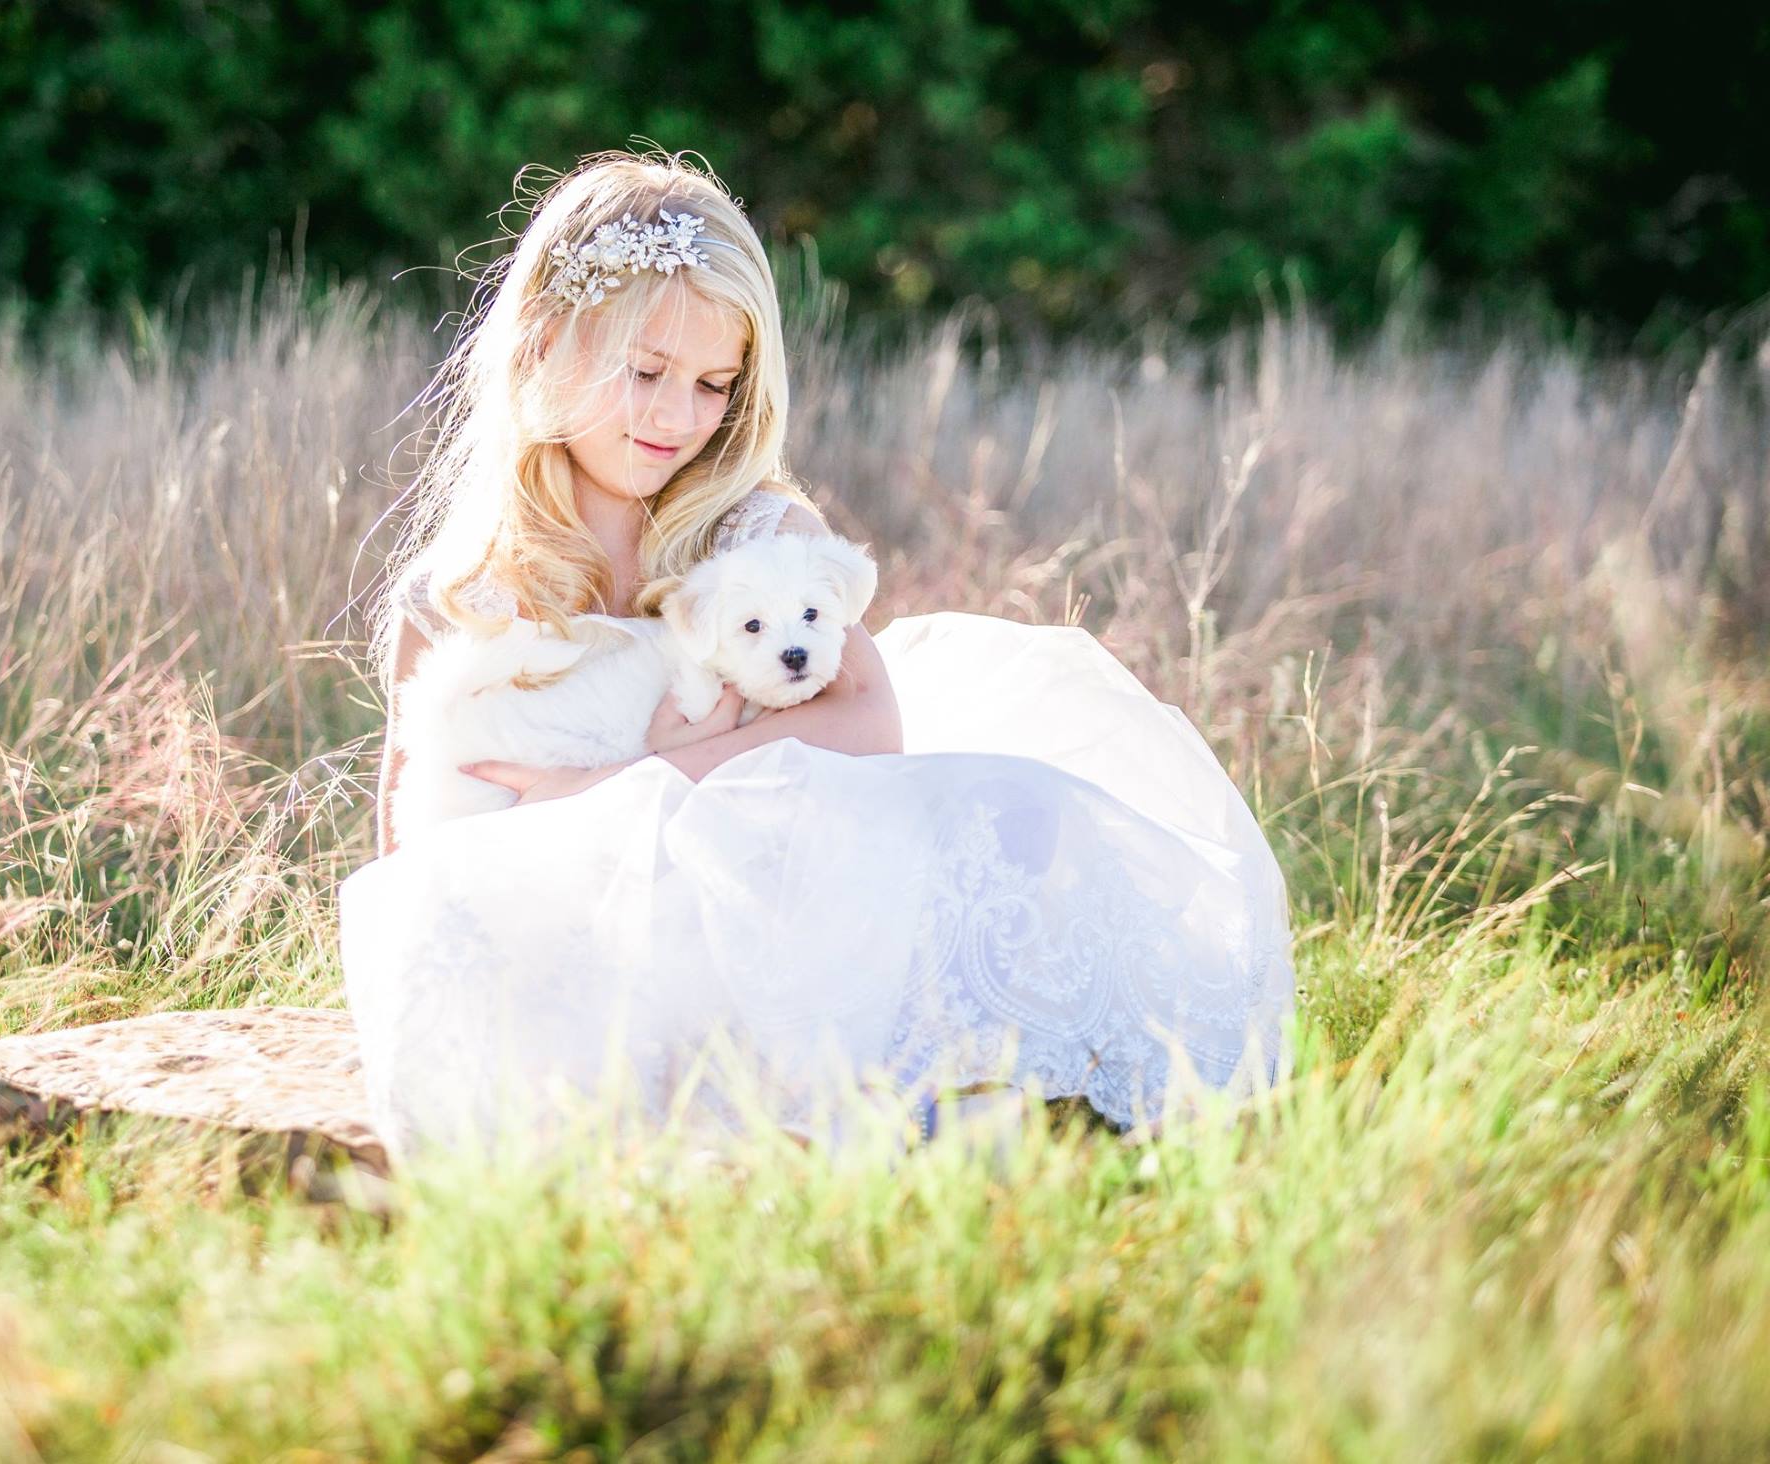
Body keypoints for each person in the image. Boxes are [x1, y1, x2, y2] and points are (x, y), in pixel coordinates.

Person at [339, 147, 1294, 1156]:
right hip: (568, 938)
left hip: (753, 900)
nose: (677, 416)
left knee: (1011, 806)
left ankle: (996, 1099)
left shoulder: (749, 531)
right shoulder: (459, 594)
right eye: (645, 373)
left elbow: (863, 721)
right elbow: (407, 851)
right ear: (542, 345)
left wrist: (617, 781)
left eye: (713, 384)